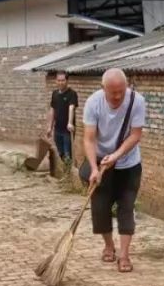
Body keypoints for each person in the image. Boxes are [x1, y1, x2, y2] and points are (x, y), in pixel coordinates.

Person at [83, 68, 146, 273]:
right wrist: (94, 168)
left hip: (128, 163)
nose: (118, 96)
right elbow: (89, 138)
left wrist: (117, 156)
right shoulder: (93, 103)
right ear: (103, 89)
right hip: (101, 162)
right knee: (100, 207)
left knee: (126, 207)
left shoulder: (137, 101)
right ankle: (109, 246)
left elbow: (136, 135)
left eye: (121, 91)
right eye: (113, 92)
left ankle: (124, 254)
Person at [47, 73, 78, 162]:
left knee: (67, 153)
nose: (60, 83)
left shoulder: (72, 94)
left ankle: (68, 172)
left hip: (67, 130)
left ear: (67, 81)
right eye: (59, 80)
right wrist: (50, 127)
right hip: (57, 129)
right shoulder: (55, 94)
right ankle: (66, 169)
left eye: (63, 80)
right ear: (56, 81)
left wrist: (70, 122)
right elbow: (52, 110)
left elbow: (71, 107)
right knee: (61, 152)